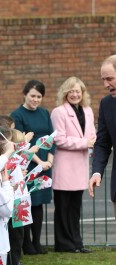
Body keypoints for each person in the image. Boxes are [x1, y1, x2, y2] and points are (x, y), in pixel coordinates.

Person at [51, 77, 96, 253]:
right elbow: (59, 139)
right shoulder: (58, 112)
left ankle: (77, 242)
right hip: (65, 166)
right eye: (71, 91)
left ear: (82, 93)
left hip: (81, 165)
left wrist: (90, 141)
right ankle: (64, 244)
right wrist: (85, 143)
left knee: (75, 208)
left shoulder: (88, 110)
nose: (75, 94)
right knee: (63, 208)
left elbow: (92, 135)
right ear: (65, 93)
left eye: (78, 91)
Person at [10, 80, 54, 255]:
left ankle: (37, 241)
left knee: (39, 204)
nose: (36, 99)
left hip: (45, 163)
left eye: (39, 96)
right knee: (27, 202)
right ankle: (26, 243)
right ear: (25, 94)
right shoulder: (17, 114)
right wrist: (39, 162)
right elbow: (23, 143)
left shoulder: (44, 113)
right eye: (33, 96)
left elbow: (51, 137)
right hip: (28, 164)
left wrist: (49, 159)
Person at [89, 55, 116, 218]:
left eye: (110, 79)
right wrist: (96, 172)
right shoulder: (106, 104)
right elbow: (102, 143)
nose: (106, 84)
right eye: (103, 80)